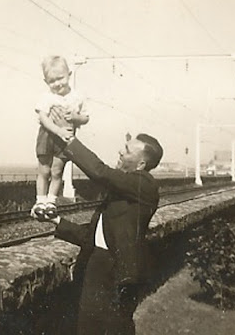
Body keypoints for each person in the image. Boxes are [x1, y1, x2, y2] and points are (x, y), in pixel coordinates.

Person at [40, 124, 163, 335]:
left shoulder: (145, 185)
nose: (120, 152)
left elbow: (100, 172)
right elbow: (95, 237)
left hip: (117, 269)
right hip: (98, 264)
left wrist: (70, 142)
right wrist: (56, 220)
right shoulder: (125, 190)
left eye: (127, 150)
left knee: (116, 326)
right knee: (89, 326)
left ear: (141, 164)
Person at [32, 55, 89, 220]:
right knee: (44, 170)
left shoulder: (77, 97)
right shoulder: (46, 97)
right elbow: (43, 118)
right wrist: (58, 130)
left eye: (60, 78)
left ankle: (51, 202)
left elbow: (85, 118)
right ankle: (40, 201)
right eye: (52, 81)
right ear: (46, 82)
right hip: (48, 135)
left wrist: (76, 118)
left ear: (69, 75)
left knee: (57, 171)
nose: (57, 84)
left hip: (65, 138)